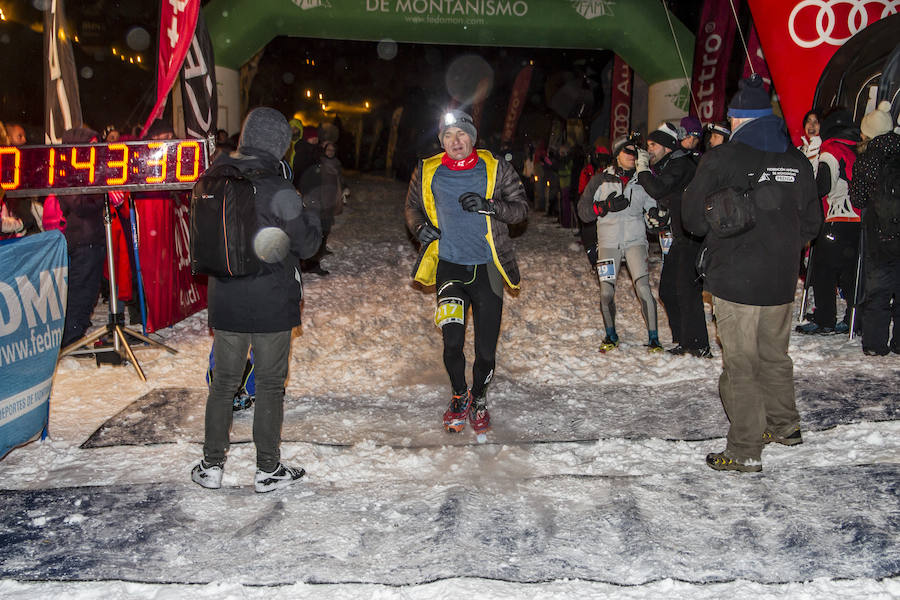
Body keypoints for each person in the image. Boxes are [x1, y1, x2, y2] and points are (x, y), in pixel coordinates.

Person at [682, 74, 821, 472]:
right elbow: (812, 223)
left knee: (741, 364)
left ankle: (744, 448)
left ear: (738, 119)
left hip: (735, 278)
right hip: (780, 280)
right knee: (774, 356)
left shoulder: (723, 157)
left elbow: (691, 219)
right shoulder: (795, 159)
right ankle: (784, 426)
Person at [191, 107, 322, 493]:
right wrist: (312, 213)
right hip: (272, 300)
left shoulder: (214, 179)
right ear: (280, 144)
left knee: (223, 384)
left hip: (226, 297)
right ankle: (267, 469)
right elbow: (308, 244)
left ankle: (212, 464)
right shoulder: (278, 187)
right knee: (268, 384)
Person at [405, 109, 528, 437]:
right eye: (448, 136)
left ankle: (480, 399)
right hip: (450, 268)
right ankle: (460, 396)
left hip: (487, 270)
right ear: (441, 141)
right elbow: (413, 207)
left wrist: (490, 205)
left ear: (472, 138)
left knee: (486, 351)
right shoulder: (428, 169)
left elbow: (520, 210)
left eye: (461, 135)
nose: (455, 141)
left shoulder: (497, 169)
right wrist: (420, 227)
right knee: (452, 344)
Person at [577, 136, 661, 352]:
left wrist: (654, 216)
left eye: (636, 152)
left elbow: (653, 212)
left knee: (643, 288)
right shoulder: (600, 180)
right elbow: (583, 212)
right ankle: (611, 335)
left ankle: (654, 339)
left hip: (635, 241)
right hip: (608, 242)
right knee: (606, 292)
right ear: (616, 154)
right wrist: (604, 206)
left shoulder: (644, 179)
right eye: (627, 152)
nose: (633, 156)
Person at [636, 121, 710, 357]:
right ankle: (683, 339)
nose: (649, 150)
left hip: (693, 236)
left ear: (667, 147)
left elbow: (657, 189)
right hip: (680, 235)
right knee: (668, 290)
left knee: (687, 290)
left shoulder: (681, 164)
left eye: (653, 145)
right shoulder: (672, 164)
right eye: (647, 144)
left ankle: (698, 344)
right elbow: (671, 197)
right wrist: (662, 215)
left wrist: (642, 168)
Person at [796, 109, 862, 335]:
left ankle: (825, 320)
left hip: (836, 219)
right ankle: (854, 318)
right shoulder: (854, 150)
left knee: (823, 271)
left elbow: (823, 186)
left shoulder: (830, 150)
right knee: (849, 274)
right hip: (857, 222)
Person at [850, 100, 900, 355]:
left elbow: (857, 199)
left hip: (879, 233)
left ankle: (875, 344)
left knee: (878, 288)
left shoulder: (867, 159)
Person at [59, 127, 107, 348]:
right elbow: (78, 204)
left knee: (89, 292)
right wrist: (102, 194)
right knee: (80, 292)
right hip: (82, 241)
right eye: (91, 145)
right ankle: (71, 339)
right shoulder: (67, 172)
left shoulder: (88, 170)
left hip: (93, 238)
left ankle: (76, 335)